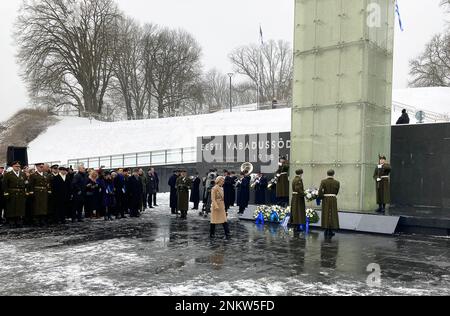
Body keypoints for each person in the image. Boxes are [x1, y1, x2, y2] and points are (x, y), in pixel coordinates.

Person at [2, 161, 28, 228]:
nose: (18, 167)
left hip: (21, 193)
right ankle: (12, 222)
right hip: (12, 193)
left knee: (20, 207)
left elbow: (25, 183)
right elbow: (5, 185)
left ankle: (19, 221)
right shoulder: (8, 174)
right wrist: (6, 193)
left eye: (19, 166)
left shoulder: (23, 174)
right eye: (16, 166)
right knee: (12, 208)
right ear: (13, 167)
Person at [318, 170, 340, 238]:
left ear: (327, 174)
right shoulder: (337, 182)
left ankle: (326, 230)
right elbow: (336, 192)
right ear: (333, 174)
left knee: (326, 213)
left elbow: (320, 190)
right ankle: (330, 230)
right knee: (332, 214)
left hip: (326, 199)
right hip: (333, 199)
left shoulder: (323, 181)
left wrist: (321, 197)